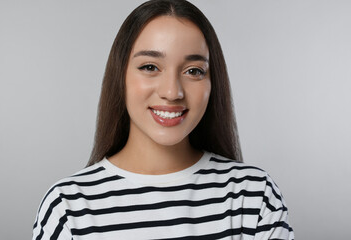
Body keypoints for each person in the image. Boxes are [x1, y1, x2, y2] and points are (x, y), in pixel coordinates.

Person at [32, 0, 294, 239]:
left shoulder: (254, 196)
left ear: (213, 83)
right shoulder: (68, 207)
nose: (172, 92)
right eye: (150, 67)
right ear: (120, 76)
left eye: (194, 71)